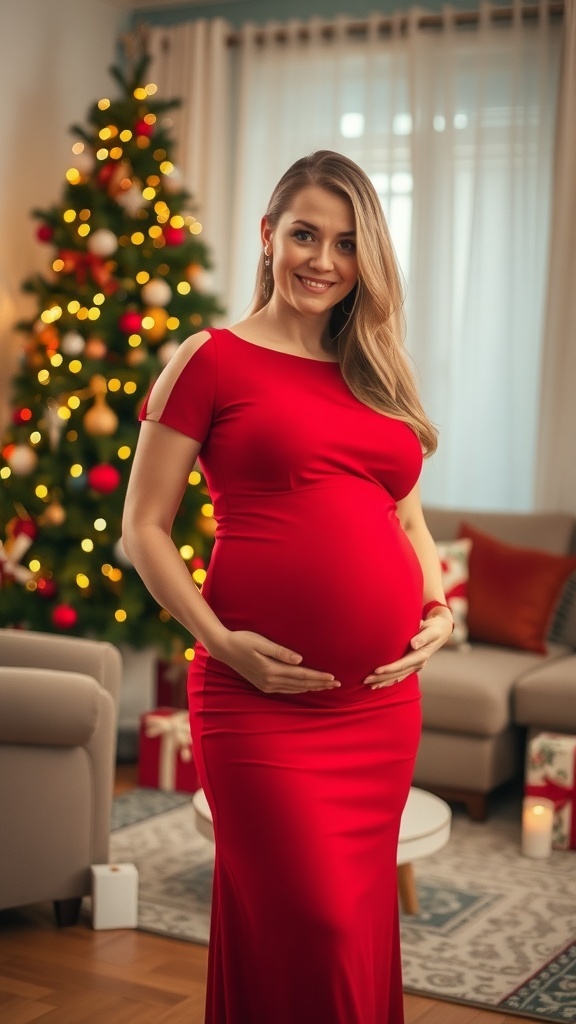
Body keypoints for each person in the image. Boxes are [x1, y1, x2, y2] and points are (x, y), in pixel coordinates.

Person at [122, 150, 454, 1024]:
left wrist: (440, 610)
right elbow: (142, 529)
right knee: (310, 920)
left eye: (347, 244)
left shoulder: (377, 373)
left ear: (366, 259)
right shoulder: (212, 359)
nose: (323, 260)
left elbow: (413, 527)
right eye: (304, 234)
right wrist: (220, 641)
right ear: (268, 237)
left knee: (351, 922)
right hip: (255, 701)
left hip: (381, 708)